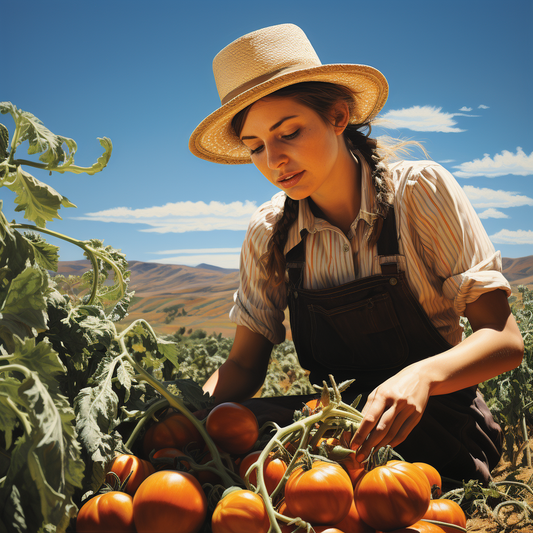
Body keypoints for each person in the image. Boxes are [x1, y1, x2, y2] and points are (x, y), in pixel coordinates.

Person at [188, 23, 524, 484]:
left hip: (437, 425)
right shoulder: (269, 232)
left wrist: (422, 377)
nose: (274, 160)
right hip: (331, 428)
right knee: (224, 440)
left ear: (338, 117)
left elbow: (504, 340)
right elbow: (245, 366)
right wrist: (188, 409)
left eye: (289, 132)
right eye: (256, 147)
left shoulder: (418, 192)